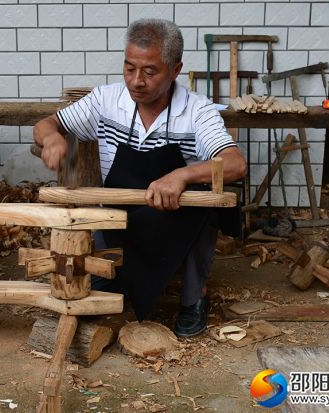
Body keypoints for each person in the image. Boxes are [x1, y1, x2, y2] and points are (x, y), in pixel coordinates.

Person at [33, 19, 247, 338]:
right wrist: (52, 139)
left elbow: (235, 163)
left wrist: (182, 175)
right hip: (121, 215)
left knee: (207, 212)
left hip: (176, 216)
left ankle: (193, 298)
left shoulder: (196, 111)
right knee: (99, 291)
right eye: (129, 68)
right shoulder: (106, 101)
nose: (136, 81)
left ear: (175, 70)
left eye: (150, 71)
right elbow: (47, 124)